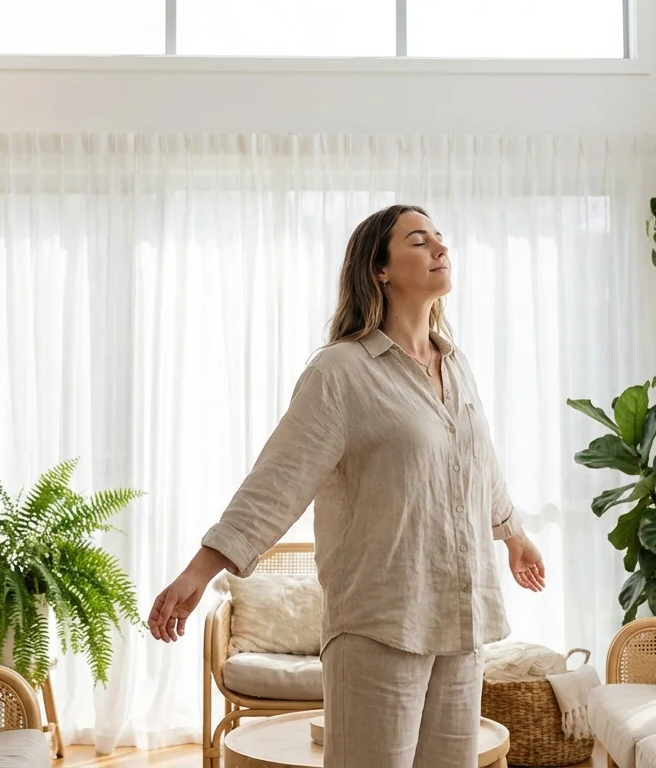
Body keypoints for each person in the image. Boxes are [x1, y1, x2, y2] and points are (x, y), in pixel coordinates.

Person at [148, 204, 545, 767]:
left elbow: (480, 463)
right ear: (379, 269)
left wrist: (513, 534)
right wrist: (200, 570)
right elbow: (278, 480)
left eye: (440, 239)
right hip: (380, 622)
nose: (440, 248)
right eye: (418, 240)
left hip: (461, 619)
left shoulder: (455, 365)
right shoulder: (340, 372)